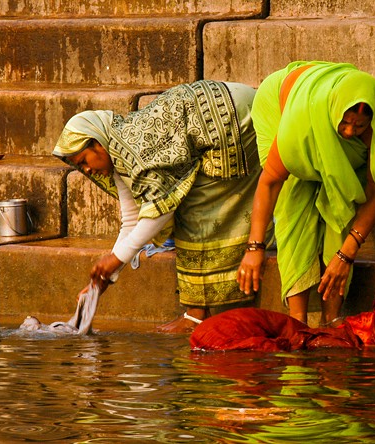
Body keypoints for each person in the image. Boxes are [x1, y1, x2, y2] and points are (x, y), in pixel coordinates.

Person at [53, 80, 268, 333]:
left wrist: (116, 259)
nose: (87, 170)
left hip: (234, 118)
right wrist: (105, 278)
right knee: (186, 205)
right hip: (229, 106)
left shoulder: (132, 149)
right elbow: (132, 220)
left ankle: (197, 315)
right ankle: (198, 312)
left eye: (84, 161)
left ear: (97, 143)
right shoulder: (119, 154)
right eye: (80, 168)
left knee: (194, 210)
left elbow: (160, 211)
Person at [237, 61, 375, 327]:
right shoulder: (297, 127)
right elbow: (269, 183)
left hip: (320, 104)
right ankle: (297, 318)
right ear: (336, 112)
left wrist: (345, 255)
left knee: (343, 194)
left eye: (358, 127)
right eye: (345, 123)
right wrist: (255, 247)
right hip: (284, 104)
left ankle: (332, 317)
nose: (350, 132)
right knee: (294, 195)